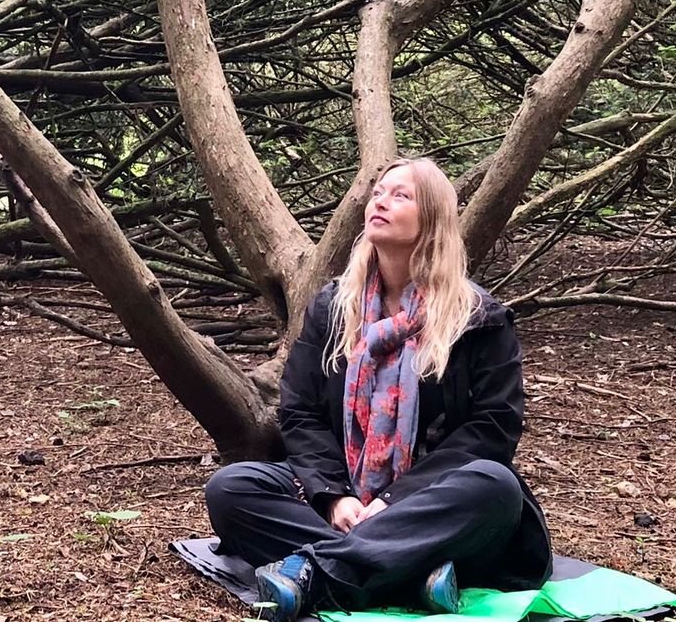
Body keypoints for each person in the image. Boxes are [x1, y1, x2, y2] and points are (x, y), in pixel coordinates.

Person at [204, 158, 552, 621]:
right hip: (344, 487)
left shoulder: (477, 318)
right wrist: (333, 496)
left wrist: (392, 502)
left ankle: (317, 572)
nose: (381, 203)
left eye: (400, 195)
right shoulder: (333, 307)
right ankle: (412, 570)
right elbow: (300, 411)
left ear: (432, 219)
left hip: (433, 497)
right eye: (378, 193)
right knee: (232, 487)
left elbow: (493, 429)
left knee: (496, 486)